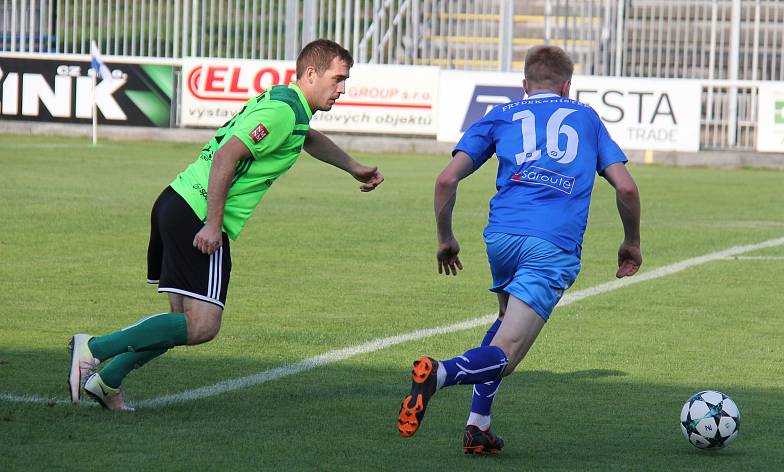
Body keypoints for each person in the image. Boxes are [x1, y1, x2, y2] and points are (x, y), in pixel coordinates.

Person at [68, 39, 384, 410]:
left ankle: (107, 381)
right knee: (202, 326)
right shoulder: (283, 113)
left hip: (177, 201)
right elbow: (226, 156)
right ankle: (93, 347)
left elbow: (308, 138)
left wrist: (354, 167)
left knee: (180, 321)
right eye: (338, 78)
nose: (343, 89)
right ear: (311, 74)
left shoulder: (288, 102)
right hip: (199, 213)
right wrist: (213, 225)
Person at [397, 45, 641, 454]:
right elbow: (627, 187)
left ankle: (479, 426)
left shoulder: (500, 115)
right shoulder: (587, 118)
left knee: (505, 321)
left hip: (502, 238)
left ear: (524, 85)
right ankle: (438, 374)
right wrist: (631, 241)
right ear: (567, 86)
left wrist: (445, 238)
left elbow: (445, 180)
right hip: (552, 243)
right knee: (507, 354)